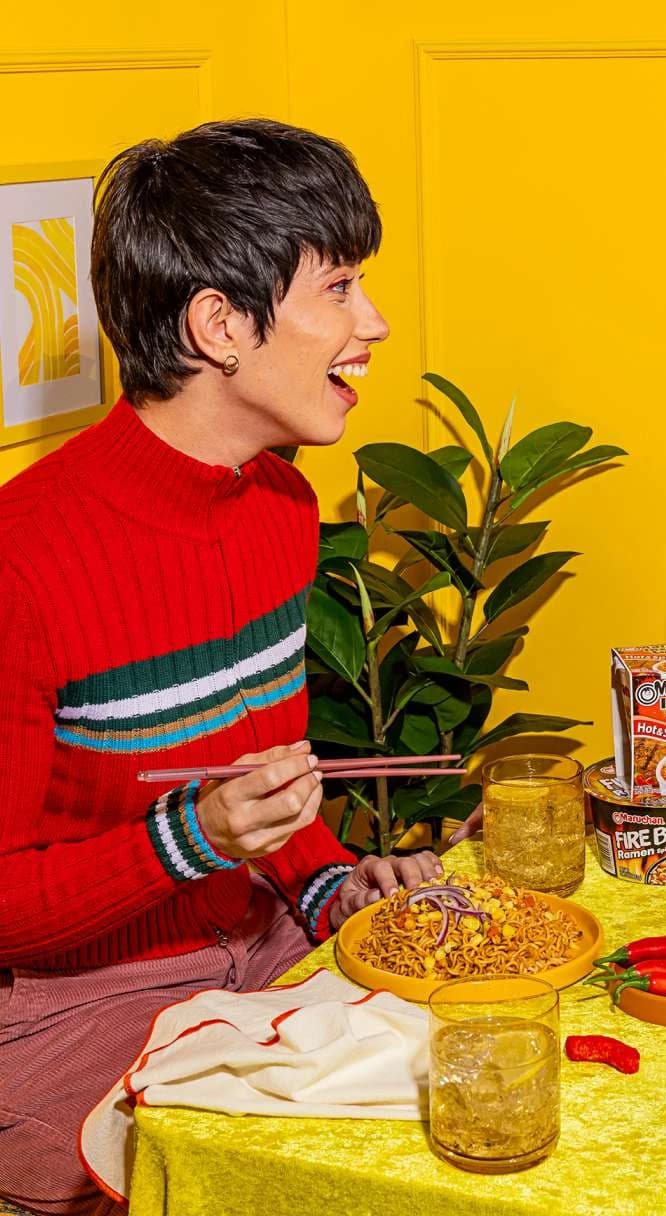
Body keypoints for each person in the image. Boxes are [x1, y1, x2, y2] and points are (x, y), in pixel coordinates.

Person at [0, 119, 442, 1215]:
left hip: (260, 947)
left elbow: (270, 787)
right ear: (218, 326)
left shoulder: (284, 506)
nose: (371, 323)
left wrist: (332, 877)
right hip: (72, 1002)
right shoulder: (23, 557)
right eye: (338, 288)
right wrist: (186, 838)